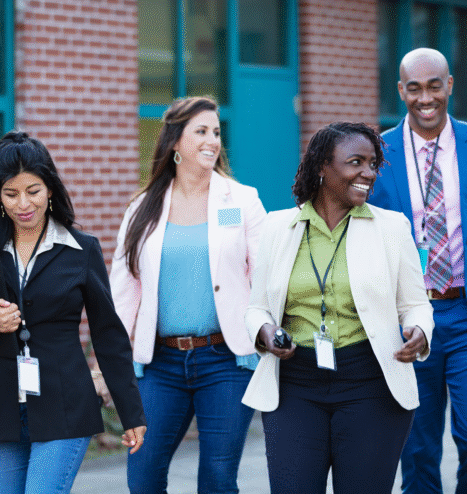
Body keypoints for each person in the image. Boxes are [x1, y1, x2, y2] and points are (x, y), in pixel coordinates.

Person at [0, 131, 146, 494]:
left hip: (65, 406)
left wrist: (131, 412)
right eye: (11, 194)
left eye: (33, 191)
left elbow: (108, 335)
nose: (23, 204)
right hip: (0, 409)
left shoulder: (81, 250)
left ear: (50, 189)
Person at [242, 121, 434, 493]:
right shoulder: (277, 228)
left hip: (370, 382)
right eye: (356, 162)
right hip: (294, 385)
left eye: (373, 164)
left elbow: (415, 304)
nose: (369, 173)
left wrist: (419, 331)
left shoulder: (392, 228)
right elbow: (257, 309)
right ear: (322, 167)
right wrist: (265, 332)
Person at [366, 47, 467, 494]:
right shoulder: (377, 152)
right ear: (401, 90)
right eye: (414, 88)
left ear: (449, 85)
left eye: (434, 86)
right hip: (407, 319)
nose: (425, 98)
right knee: (417, 447)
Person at [110, 96, 266, 493]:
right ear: (175, 141)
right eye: (201, 131)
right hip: (160, 363)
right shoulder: (142, 208)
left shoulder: (241, 201)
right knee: (143, 475)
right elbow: (123, 292)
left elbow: (265, 275)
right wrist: (106, 364)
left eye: (216, 132)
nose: (212, 140)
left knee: (217, 477)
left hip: (226, 360)